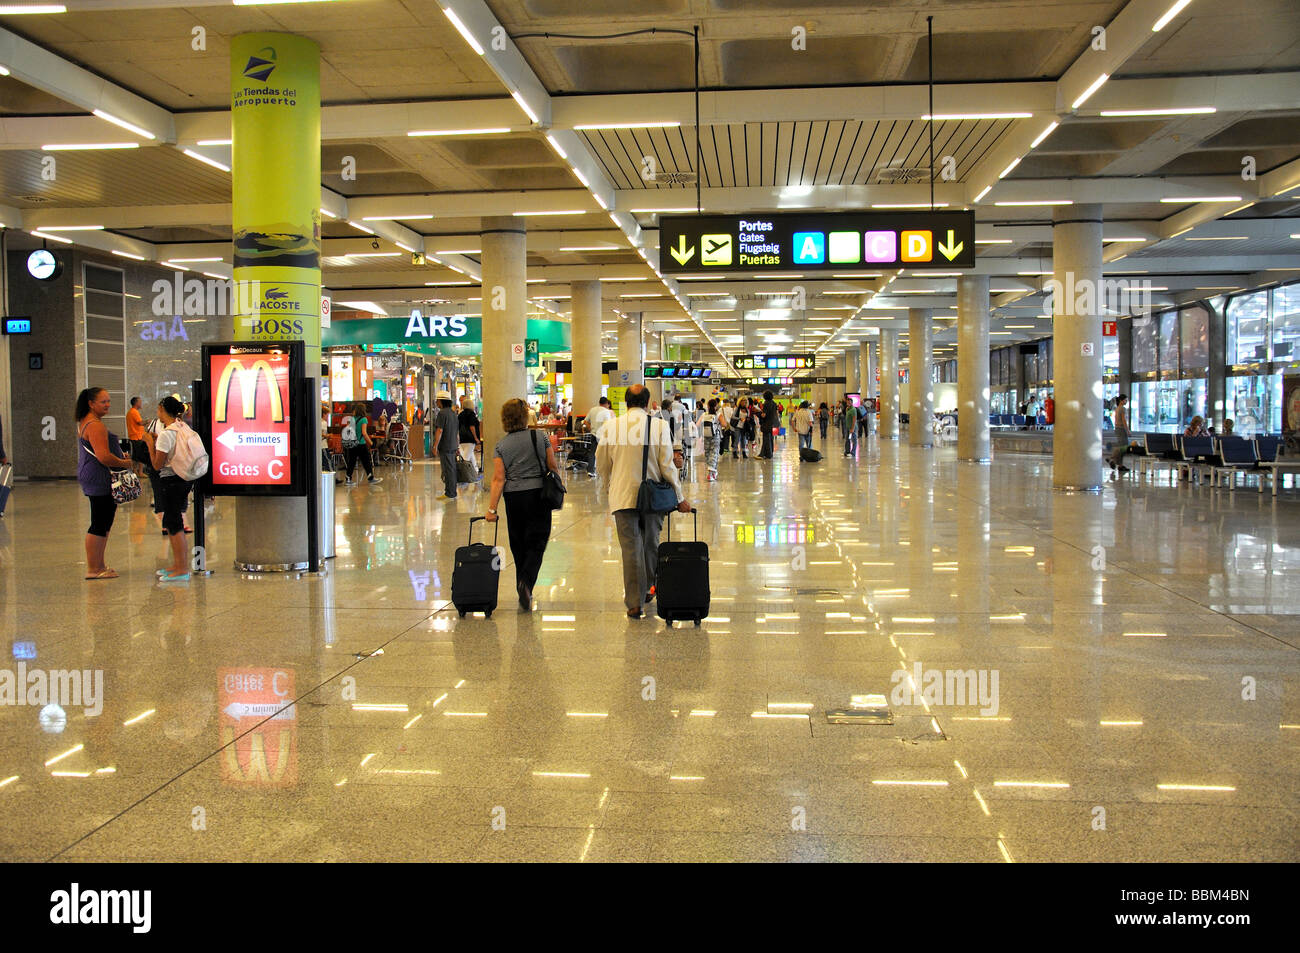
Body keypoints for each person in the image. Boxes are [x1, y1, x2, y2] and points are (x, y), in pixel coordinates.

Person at [596, 384, 689, 619]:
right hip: (653, 498)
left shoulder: (611, 426)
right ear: (647, 403)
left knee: (630, 550)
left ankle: (634, 603)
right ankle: (648, 587)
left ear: (626, 402)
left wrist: (609, 487)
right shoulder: (657, 426)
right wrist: (680, 497)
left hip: (622, 496)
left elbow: (602, 463)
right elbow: (667, 465)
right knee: (651, 545)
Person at [484, 398, 562, 611]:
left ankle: (523, 586)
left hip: (513, 498)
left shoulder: (501, 445)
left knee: (518, 542)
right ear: (524, 416)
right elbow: (552, 465)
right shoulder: (540, 437)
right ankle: (526, 584)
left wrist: (491, 509)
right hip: (538, 495)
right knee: (537, 542)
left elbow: (499, 479)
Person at [142, 395, 201, 582]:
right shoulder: (182, 427)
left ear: (161, 409)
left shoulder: (167, 433)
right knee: (174, 521)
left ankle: (182, 568)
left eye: (158, 409)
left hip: (171, 481)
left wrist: (150, 443)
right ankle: (177, 565)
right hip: (185, 479)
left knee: (174, 524)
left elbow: (157, 465)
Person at [75, 387, 132, 580]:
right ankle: (94, 568)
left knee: (103, 521)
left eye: (108, 401)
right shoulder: (95, 425)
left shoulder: (86, 422)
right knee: (100, 522)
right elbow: (104, 456)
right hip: (99, 476)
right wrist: (125, 462)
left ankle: (99, 564)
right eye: (103, 402)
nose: (108, 405)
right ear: (91, 404)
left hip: (92, 474)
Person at [430, 391, 461, 500]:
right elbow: (457, 432)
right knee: (451, 469)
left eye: (437, 401)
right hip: (452, 445)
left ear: (441, 401)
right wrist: (457, 446)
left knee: (448, 470)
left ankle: (450, 493)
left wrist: (435, 446)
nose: (436, 403)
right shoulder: (453, 414)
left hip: (446, 446)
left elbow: (439, 430)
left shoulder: (442, 414)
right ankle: (451, 491)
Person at [342, 401, 381, 486]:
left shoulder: (351, 419)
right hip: (361, 444)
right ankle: (371, 478)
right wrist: (371, 443)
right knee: (366, 461)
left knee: (351, 461)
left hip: (352, 443)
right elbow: (364, 433)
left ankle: (348, 479)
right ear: (363, 410)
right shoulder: (364, 419)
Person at [583, 395, 615, 477]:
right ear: (607, 403)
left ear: (599, 402)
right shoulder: (606, 412)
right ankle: (604, 470)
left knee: (593, 453)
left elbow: (585, 421)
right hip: (603, 436)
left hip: (594, 434)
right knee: (605, 453)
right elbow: (608, 424)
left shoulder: (592, 410)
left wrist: (590, 428)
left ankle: (590, 470)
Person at [1108, 393, 1131, 473]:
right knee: (1123, 447)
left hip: (1117, 428)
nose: (1126, 401)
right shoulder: (1122, 409)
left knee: (1122, 446)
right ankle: (1112, 458)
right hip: (1121, 429)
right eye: (1125, 400)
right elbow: (1124, 420)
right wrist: (1127, 430)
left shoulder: (1117, 408)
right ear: (1121, 400)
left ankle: (1120, 465)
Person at [458, 395, 482, 470]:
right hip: (470, 439)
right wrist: (475, 438)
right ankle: (463, 474)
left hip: (462, 438)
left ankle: (475, 471)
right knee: (465, 459)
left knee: (471, 455)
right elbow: (472, 427)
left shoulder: (460, 415)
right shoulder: (471, 414)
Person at [699, 398, 721, 481]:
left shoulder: (704, 414)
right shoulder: (718, 415)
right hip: (715, 437)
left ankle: (712, 472)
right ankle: (711, 473)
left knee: (708, 454)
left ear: (707, 406)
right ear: (716, 406)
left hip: (706, 436)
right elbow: (724, 424)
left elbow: (697, 425)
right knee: (714, 453)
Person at [126, 397, 146, 478]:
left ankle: (135, 471)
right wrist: (148, 421)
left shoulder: (131, 412)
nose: (141, 403)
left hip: (134, 436)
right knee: (141, 455)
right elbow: (140, 423)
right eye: (140, 402)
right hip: (137, 437)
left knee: (135, 456)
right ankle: (140, 472)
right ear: (136, 403)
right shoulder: (134, 412)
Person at [760, 391, 779, 458]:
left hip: (767, 423)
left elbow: (764, 415)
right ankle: (769, 453)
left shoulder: (766, 403)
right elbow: (776, 414)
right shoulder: (774, 403)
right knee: (771, 438)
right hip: (774, 424)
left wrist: (758, 413)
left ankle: (767, 454)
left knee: (766, 439)